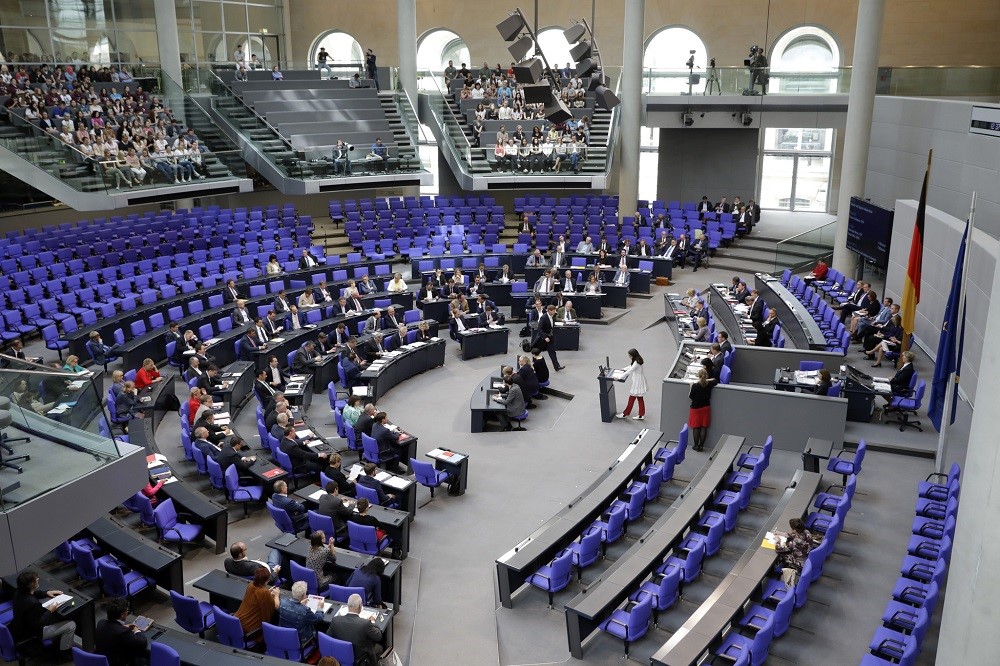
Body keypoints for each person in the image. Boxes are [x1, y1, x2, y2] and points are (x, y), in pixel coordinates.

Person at [11, 570, 79, 653]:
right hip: (33, 634)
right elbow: (39, 624)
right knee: (71, 624)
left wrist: (46, 593)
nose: (38, 579)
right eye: (36, 579)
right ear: (32, 584)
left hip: (19, 629)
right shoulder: (33, 603)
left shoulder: (18, 592)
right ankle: (64, 653)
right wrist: (50, 610)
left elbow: (32, 593)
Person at [326, 593, 383, 666]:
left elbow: (328, 637)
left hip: (340, 656)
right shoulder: (365, 624)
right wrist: (372, 622)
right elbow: (378, 636)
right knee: (380, 648)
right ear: (360, 606)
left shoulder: (335, 620)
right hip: (359, 658)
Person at [94, 597, 148, 666]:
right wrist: (136, 630)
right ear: (122, 614)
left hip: (100, 661)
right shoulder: (122, 632)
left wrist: (122, 627)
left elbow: (114, 630)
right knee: (142, 655)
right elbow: (143, 643)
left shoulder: (101, 623)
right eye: (127, 610)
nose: (127, 612)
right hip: (116, 663)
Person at [233, 567, 280, 637]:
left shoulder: (251, 585)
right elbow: (276, 606)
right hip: (250, 630)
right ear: (265, 581)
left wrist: (268, 592)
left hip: (238, 623)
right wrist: (276, 595)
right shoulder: (264, 592)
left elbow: (258, 598)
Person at [279, 581, 325, 648]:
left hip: (284, 637)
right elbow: (317, 619)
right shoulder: (305, 610)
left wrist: (300, 604)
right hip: (302, 640)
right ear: (304, 595)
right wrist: (320, 608)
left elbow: (293, 608)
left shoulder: (282, 602)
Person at [774, 518, 819, 585]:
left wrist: (778, 541)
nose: (790, 529)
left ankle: (775, 571)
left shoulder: (795, 542)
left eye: (791, 528)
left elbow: (778, 549)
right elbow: (793, 535)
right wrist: (779, 533)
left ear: (794, 530)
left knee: (780, 556)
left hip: (799, 562)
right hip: (806, 556)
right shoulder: (806, 532)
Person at [688, 368, 719, 452]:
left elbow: (691, 397)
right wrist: (706, 379)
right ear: (706, 376)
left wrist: (691, 386)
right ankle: (701, 446)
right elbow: (715, 380)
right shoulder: (709, 384)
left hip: (696, 409)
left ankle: (696, 445)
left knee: (696, 427)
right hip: (705, 408)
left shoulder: (695, 385)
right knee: (703, 427)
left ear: (698, 376)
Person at [615, 348, 648, 420]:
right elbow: (631, 367)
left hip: (637, 382)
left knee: (632, 398)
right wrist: (624, 368)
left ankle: (625, 414)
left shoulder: (636, 362)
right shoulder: (638, 360)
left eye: (629, 355)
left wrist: (619, 377)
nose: (629, 356)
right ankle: (641, 414)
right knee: (640, 398)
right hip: (639, 380)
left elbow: (630, 370)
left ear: (633, 355)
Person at [533, 304, 564, 371]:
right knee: (537, 352)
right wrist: (544, 337)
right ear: (549, 311)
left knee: (552, 352)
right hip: (543, 339)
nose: (555, 312)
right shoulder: (543, 318)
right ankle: (534, 366)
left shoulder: (552, 316)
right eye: (554, 311)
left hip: (550, 338)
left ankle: (557, 367)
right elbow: (539, 329)